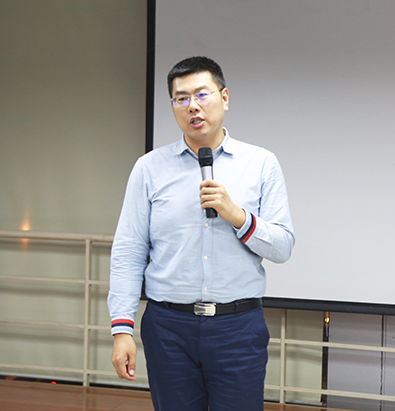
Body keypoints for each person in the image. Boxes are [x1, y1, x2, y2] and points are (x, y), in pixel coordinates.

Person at [108, 56, 295, 411]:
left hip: (237, 327)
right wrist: (122, 330)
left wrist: (237, 215)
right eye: (181, 98)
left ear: (224, 97)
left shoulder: (260, 163)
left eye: (202, 94)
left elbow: (283, 246)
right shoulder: (149, 168)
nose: (192, 106)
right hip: (168, 328)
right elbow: (129, 251)